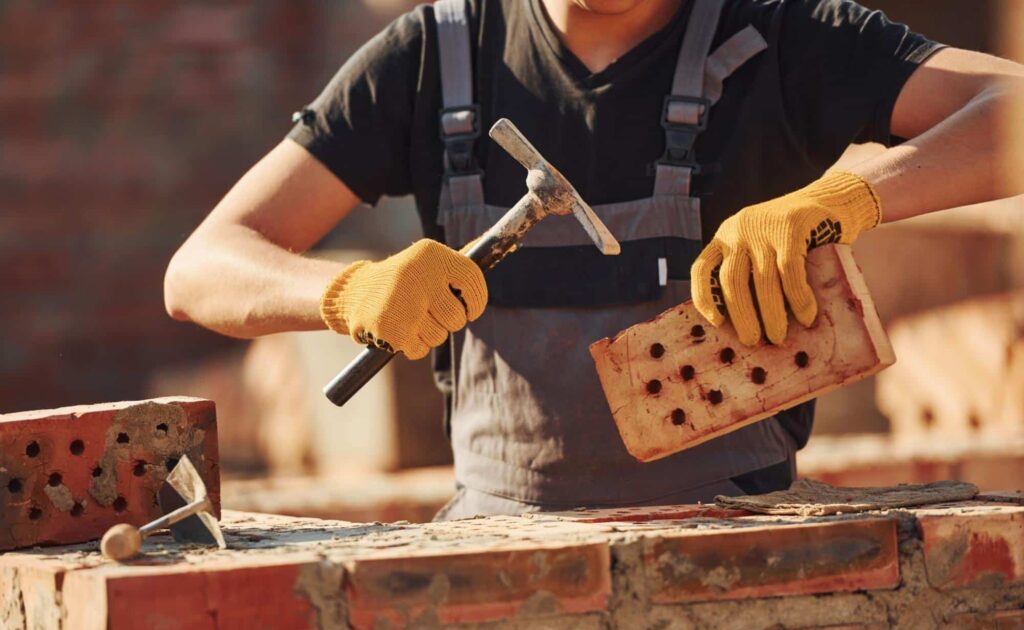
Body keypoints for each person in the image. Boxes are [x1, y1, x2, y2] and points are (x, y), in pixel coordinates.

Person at [164, 0, 1024, 520]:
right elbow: (201, 267)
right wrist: (346, 290)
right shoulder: (433, 60)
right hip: (499, 565)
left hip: (747, 574)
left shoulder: (782, 39)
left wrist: (849, 198)